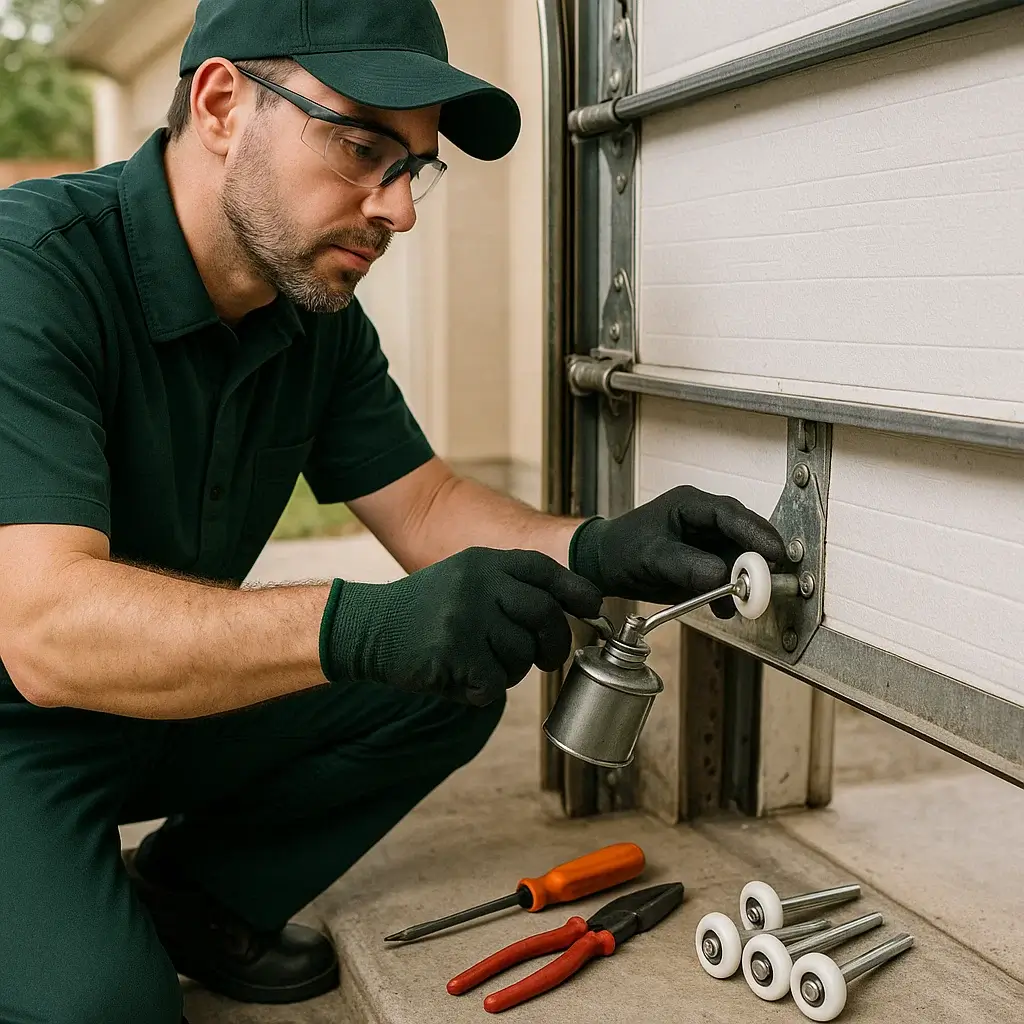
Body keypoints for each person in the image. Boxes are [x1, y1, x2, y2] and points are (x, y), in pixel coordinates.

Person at [0, 0, 785, 1020]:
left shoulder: (308, 313)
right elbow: (46, 630)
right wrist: (357, 623)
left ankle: (194, 893)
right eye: (362, 146)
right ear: (224, 103)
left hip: (154, 701)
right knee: (103, 1006)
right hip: (21, 717)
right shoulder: (34, 273)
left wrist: (601, 545)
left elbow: (426, 504)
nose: (399, 209)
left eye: (413, 167)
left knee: (452, 673)